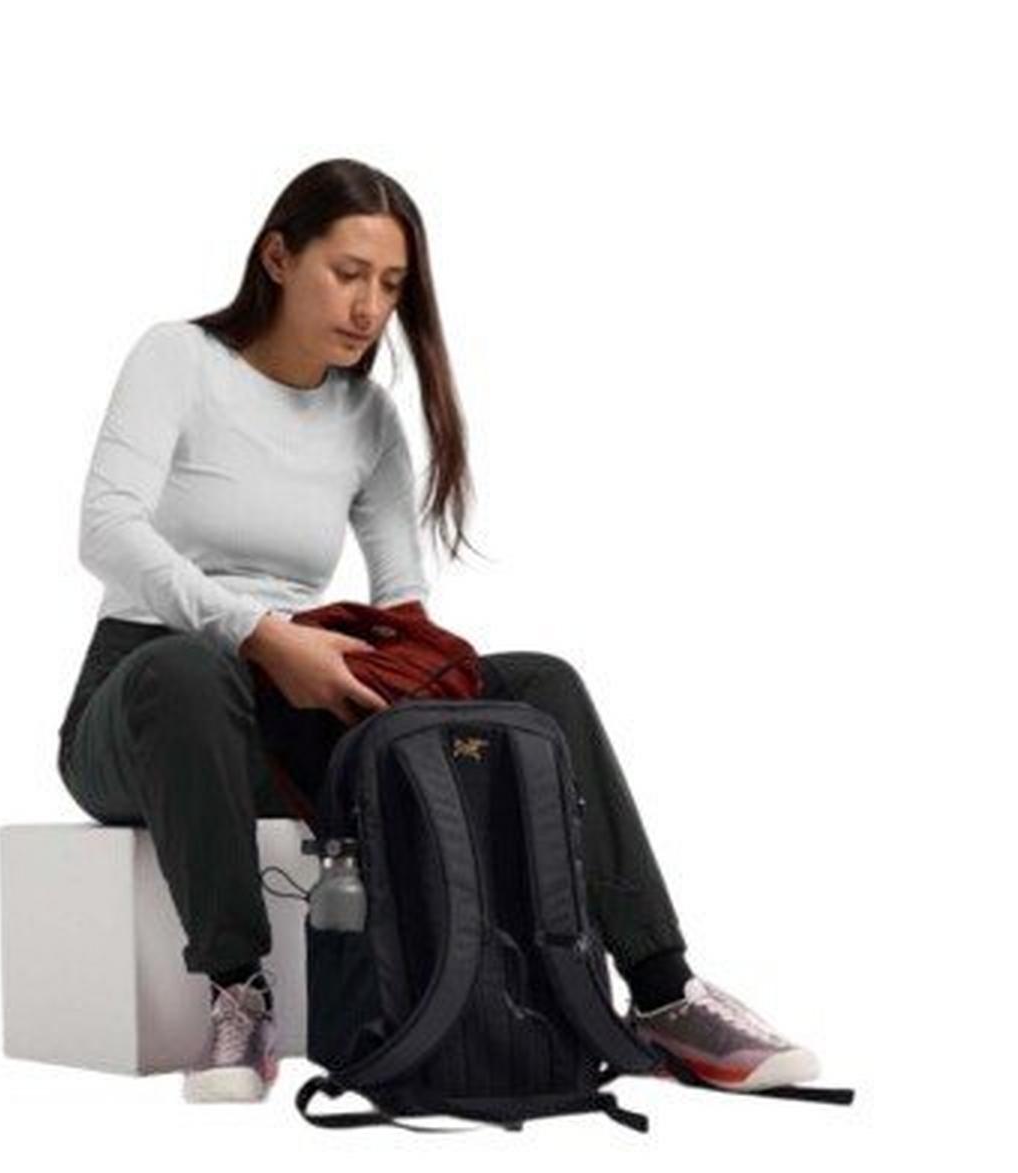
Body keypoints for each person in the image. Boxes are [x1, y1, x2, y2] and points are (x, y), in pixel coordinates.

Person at [56, 157, 822, 1105]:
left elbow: (402, 600)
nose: (370, 307)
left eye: (391, 285)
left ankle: (666, 994)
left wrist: (404, 686)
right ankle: (237, 992)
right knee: (188, 670)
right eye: (348, 273)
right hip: (144, 698)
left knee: (538, 683)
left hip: (290, 701)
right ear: (278, 258)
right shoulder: (178, 359)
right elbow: (106, 530)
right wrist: (259, 633)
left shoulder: (367, 416)